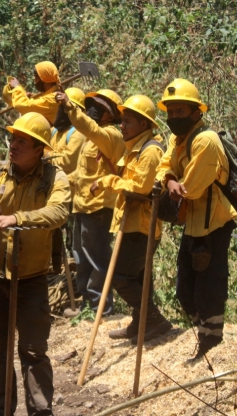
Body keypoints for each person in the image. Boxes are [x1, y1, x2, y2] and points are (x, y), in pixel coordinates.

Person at [0, 112, 70, 416]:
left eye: (22, 141)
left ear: (39, 149)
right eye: (12, 138)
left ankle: (41, 415)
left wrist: (17, 219)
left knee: (34, 349)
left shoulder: (53, 178)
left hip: (31, 278)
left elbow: (59, 211)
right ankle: (1, 412)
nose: (13, 145)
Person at [154, 78, 237, 360]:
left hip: (214, 222)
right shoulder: (179, 139)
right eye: (171, 111)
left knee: (209, 285)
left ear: (196, 112)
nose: (175, 117)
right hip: (193, 223)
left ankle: (211, 341)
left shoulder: (205, 140)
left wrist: (173, 186)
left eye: (181, 111)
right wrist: (168, 179)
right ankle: (205, 331)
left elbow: (192, 188)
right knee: (185, 288)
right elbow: (164, 164)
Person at [87, 94, 172, 343]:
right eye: (122, 121)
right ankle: (141, 323)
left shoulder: (151, 152)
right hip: (133, 224)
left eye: (127, 122)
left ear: (144, 125)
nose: (121, 126)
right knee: (139, 279)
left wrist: (106, 181)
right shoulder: (133, 149)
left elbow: (139, 188)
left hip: (142, 227)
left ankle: (153, 318)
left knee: (121, 277)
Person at [55, 88, 125, 315]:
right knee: (81, 256)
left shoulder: (110, 135)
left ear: (111, 115)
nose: (93, 109)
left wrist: (69, 106)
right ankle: (87, 304)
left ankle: (101, 308)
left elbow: (88, 126)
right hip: (83, 205)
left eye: (100, 107)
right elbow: (82, 174)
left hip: (99, 208)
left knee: (97, 259)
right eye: (91, 104)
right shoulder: (92, 140)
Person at [47, 86, 86, 282]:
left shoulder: (78, 133)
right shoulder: (55, 131)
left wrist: (46, 159)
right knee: (51, 236)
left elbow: (69, 161)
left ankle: (75, 281)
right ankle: (55, 274)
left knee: (72, 239)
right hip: (52, 192)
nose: (60, 111)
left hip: (71, 194)